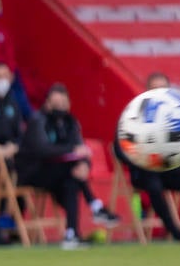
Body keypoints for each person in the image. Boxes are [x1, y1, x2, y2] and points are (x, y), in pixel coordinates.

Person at [115, 73, 180, 242]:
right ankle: (175, 232)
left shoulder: (178, 114)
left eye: (163, 88)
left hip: (170, 171)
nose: (159, 93)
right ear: (146, 91)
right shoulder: (133, 114)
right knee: (154, 186)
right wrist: (137, 156)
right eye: (154, 88)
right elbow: (119, 148)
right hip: (145, 173)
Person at [14, 83, 119, 249]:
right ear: (47, 103)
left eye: (63, 104)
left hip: (61, 174)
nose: (59, 107)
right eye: (56, 104)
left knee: (72, 180)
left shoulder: (71, 123)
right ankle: (95, 206)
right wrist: (72, 152)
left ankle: (71, 234)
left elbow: (81, 150)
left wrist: (84, 164)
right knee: (71, 173)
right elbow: (42, 150)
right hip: (33, 173)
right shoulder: (37, 120)